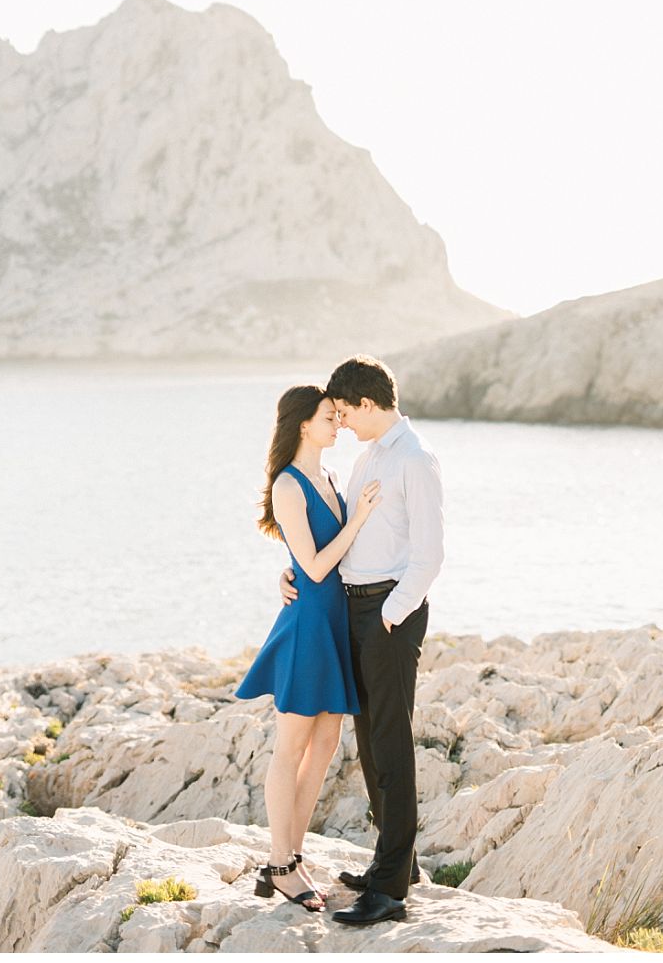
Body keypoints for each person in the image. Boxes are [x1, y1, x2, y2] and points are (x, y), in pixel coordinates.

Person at [279, 355, 444, 928]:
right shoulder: (372, 457)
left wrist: (392, 617)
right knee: (371, 743)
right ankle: (396, 864)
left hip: (388, 612)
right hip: (355, 607)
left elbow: (429, 555)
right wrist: (294, 575)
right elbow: (346, 542)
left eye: (345, 412)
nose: (341, 421)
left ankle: (390, 891)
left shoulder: (414, 461)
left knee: (390, 745)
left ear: (368, 405)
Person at [234, 384, 382, 913]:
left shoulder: (329, 476)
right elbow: (317, 566)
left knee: (324, 744)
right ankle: (278, 864)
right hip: (307, 626)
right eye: (328, 417)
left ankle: (291, 856)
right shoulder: (288, 486)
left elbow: (315, 559)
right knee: (291, 746)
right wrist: (358, 519)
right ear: (303, 425)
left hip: (333, 621)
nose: (337, 424)